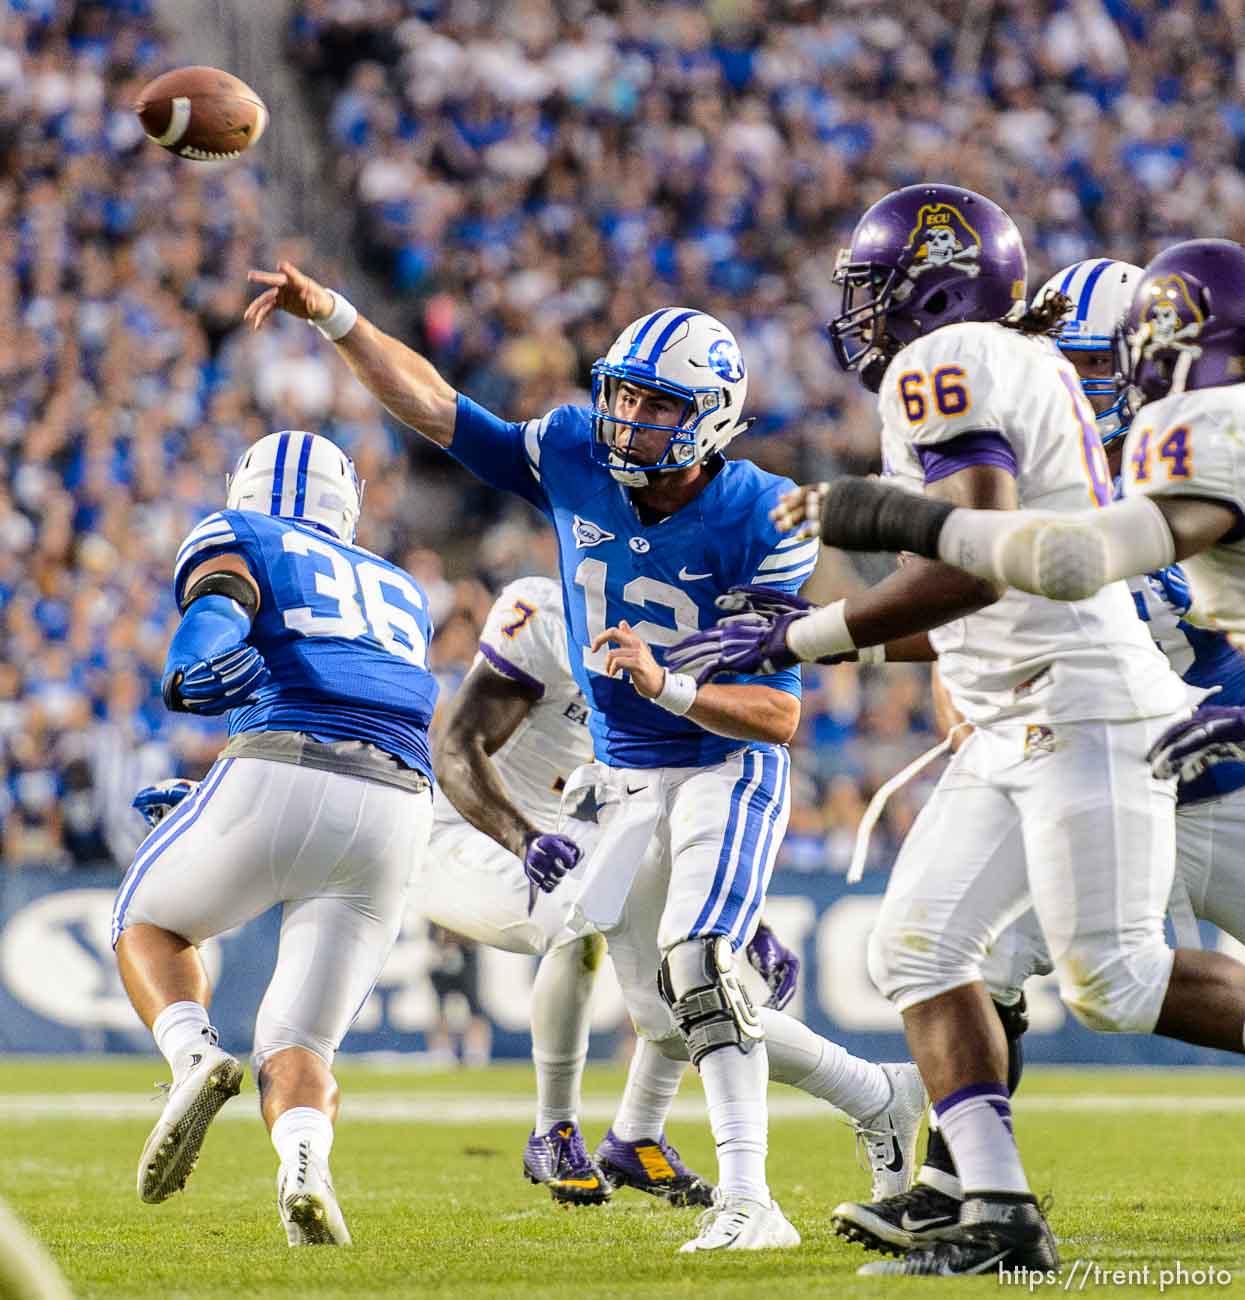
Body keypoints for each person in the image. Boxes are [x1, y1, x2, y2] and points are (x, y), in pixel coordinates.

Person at [243, 264, 926, 1252]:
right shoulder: (573, 450)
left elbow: (777, 715)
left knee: (700, 965)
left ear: (712, 419)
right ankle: (879, 1095)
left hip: (718, 759)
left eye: (656, 403)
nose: (627, 417)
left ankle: (751, 1199)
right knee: (667, 1001)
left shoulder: (758, 515)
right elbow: (440, 409)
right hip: (623, 774)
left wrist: (672, 686)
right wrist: (341, 319)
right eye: (624, 392)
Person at [666, 185, 1245, 1276]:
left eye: (874, 289)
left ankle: (979, 1196)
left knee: (1111, 980)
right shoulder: (992, 361)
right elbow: (977, 572)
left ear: (932, 283)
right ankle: (993, 1204)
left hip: (1081, 703)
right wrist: (812, 629)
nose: (862, 315)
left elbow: (972, 552)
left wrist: (802, 640)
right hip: (1017, 710)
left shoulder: (952, 360)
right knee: (916, 947)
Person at [832, 257, 1245, 1256]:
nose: (1089, 385)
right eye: (1072, 364)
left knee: (1098, 974)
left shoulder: (1194, 454)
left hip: (1219, 770)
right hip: (1094, 752)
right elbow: (971, 611)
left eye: (1107, 365)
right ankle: (961, 1184)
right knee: (959, 946)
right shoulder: (1018, 447)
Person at [113, 430, 438, 1247]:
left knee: (144, 921)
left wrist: (194, 662)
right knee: (300, 1040)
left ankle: (191, 1059)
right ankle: (304, 1166)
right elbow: (358, 703)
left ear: (245, 486)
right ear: (348, 502)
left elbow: (219, 604)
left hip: (280, 763)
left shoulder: (241, 532)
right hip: (399, 807)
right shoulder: (402, 586)